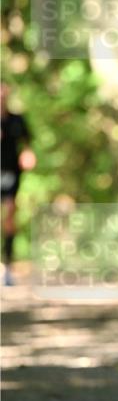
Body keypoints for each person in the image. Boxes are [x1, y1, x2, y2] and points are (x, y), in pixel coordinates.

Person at [1, 83, 36, 285]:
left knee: (10, 215)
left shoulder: (16, 120)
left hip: (11, 173)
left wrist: (28, 153)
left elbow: (27, 141)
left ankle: (7, 267)